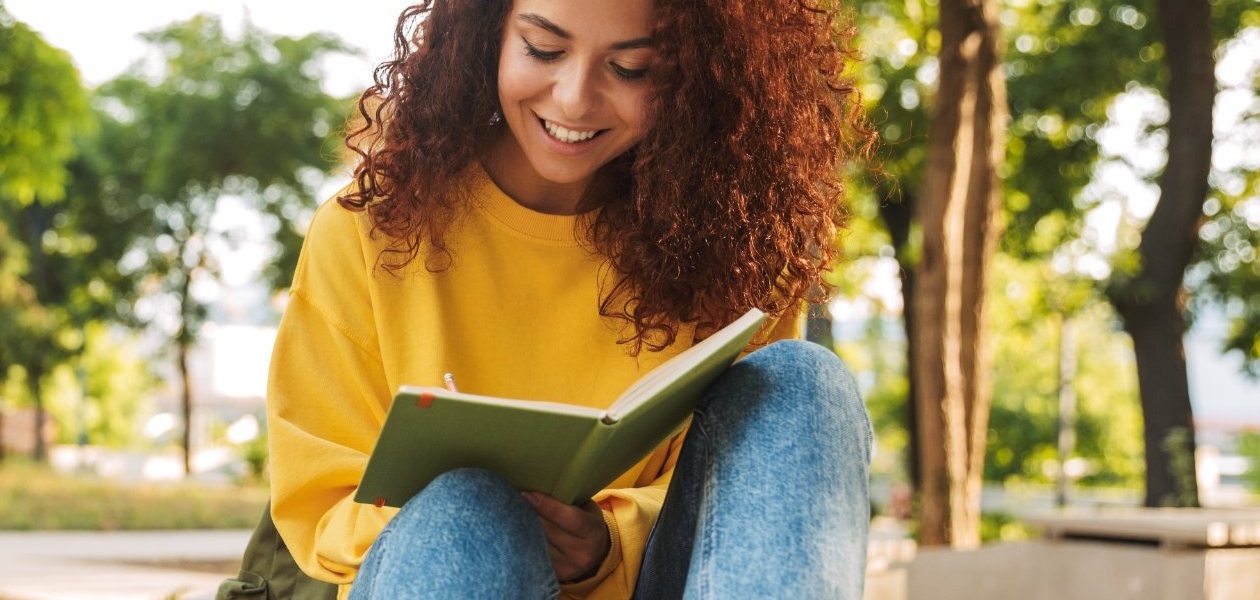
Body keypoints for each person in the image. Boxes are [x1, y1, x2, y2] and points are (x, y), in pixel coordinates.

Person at [262, 0, 872, 598]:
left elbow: (745, 505)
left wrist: (608, 539)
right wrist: (486, 510)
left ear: (696, 73)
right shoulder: (369, 233)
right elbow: (321, 513)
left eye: (630, 69)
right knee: (468, 507)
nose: (575, 98)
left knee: (802, 381)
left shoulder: (735, 252)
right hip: (437, 572)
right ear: (488, 34)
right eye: (544, 49)